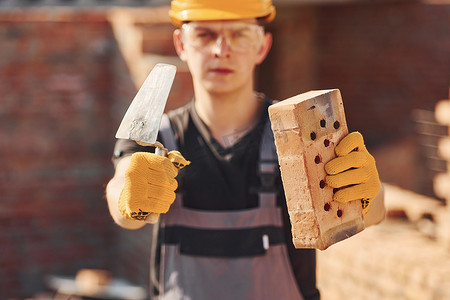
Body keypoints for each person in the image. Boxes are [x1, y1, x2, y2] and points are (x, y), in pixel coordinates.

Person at [106, 0, 385, 299]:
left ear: (262, 47)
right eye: (204, 35)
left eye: (239, 35)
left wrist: (367, 195)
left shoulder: (301, 133)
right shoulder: (155, 138)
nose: (221, 50)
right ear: (181, 44)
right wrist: (128, 199)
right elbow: (120, 190)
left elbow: (375, 212)